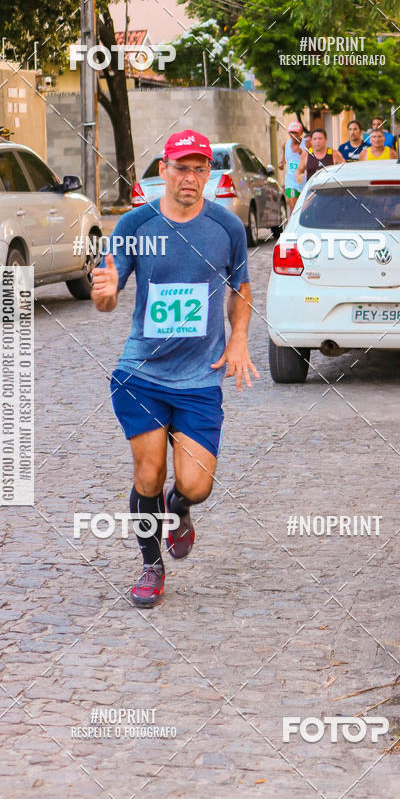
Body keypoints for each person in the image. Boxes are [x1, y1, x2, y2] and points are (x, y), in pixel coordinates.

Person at [91, 128, 258, 608]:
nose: (190, 177)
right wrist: (105, 294)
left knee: (196, 484)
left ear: (209, 174)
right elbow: (108, 295)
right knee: (148, 473)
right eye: (181, 168)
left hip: (200, 376)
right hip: (141, 374)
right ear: (163, 170)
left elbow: (241, 287)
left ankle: (178, 505)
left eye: (200, 169)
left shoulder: (226, 227)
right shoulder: (135, 225)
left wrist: (240, 338)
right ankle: (150, 566)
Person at [279, 121, 308, 214]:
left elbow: (312, 159)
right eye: (291, 133)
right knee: (293, 207)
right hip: (291, 181)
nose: (293, 135)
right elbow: (284, 159)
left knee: (304, 208)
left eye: (296, 132)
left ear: (301, 133)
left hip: (304, 181)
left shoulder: (307, 144)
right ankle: (293, 223)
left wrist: (301, 152)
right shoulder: (285, 145)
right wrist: (281, 164)